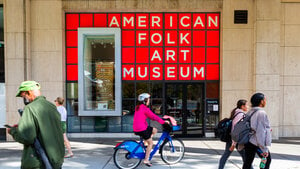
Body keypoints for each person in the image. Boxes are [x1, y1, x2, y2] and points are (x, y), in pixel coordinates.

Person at [8, 81, 64, 169]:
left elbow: (26, 137)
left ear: (29, 92)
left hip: (38, 161)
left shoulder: (30, 108)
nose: (24, 98)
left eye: (23, 96)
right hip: (56, 159)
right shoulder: (52, 107)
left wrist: (13, 131)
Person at [133, 93, 167, 167]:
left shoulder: (138, 107)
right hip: (142, 129)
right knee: (151, 143)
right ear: (145, 101)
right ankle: (146, 160)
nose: (149, 101)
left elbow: (149, 116)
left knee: (154, 130)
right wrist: (163, 122)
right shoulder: (144, 108)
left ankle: (146, 142)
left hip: (138, 128)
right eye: (148, 99)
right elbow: (154, 116)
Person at [218, 99, 253, 169]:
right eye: (247, 105)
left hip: (233, 138)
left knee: (226, 155)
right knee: (246, 158)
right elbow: (236, 129)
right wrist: (233, 144)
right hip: (236, 139)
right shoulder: (241, 115)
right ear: (242, 106)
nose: (248, 107)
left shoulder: (236, 112)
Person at [243, 93, 272, 169]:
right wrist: (264, 148)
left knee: (247, 162)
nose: (266, 101)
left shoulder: (250, 112)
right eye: (265, 100)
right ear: (261, 101)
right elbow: (260, 132)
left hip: (249, 141)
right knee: (267, 160)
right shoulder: (261, 113)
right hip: (256, 142)